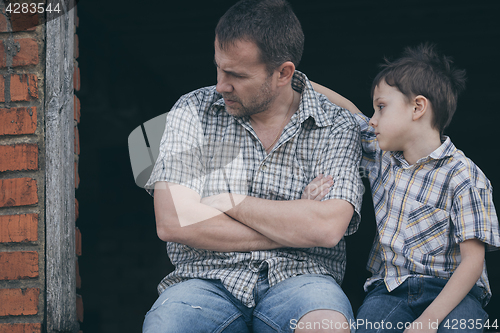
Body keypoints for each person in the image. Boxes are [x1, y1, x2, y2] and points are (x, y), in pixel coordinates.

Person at [142, 0, 364, 332]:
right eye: (218, 67)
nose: (220, 85)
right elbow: (173, 222)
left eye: (236, 75)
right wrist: (294, 222)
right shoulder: (192, 111)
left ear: (283, 74)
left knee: (327, 326)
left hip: (302, 281)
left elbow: (327, 229)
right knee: (167, 325)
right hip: (204, 281)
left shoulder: (337, 126)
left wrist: (225, 201)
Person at [312, 44, 500, 332]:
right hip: (390, 289)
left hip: (452, 292)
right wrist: (296, 81)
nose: (372, 119)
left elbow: (472, 263)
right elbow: (348, 111)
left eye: (381, 107)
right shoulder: (382, 157)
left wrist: (428, 321)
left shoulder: (464, 176)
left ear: (418, 107)